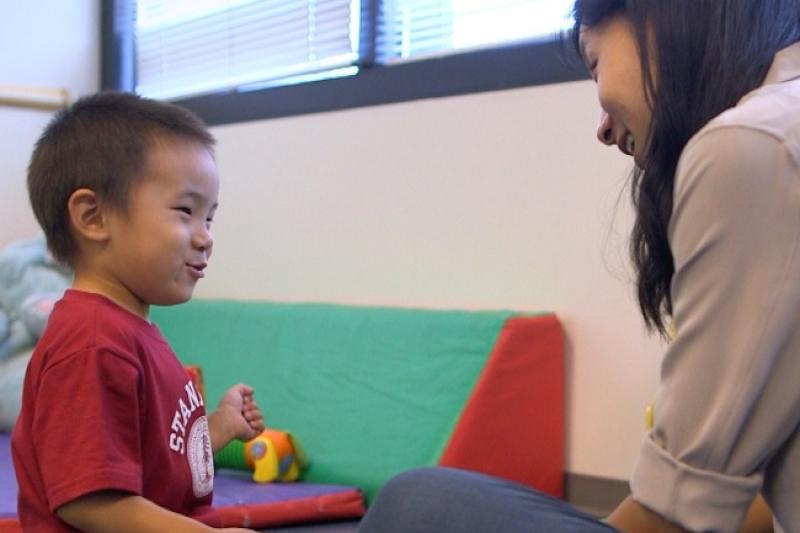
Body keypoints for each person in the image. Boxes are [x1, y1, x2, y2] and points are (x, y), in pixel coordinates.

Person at [358, 0, 800, 532]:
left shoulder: (753, 145)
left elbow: (675, 518)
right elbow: (738, 507)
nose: (604, 127)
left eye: (595, 65)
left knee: (416, 501)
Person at [12, 91, 266, 532]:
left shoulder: (128, 329)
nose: (205, 237)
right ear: (93, 217)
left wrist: (219, 427)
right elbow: (91, 501)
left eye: (209, 219)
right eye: (186, 211)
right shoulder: (91, 343)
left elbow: (156, 458)